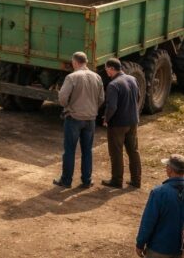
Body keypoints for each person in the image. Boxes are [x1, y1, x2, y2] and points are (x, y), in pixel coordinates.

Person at [54, 52, 105, 188]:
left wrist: (68, 107)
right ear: (86, 62)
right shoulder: (97, 77)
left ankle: (66, 180)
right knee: (87, 150)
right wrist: (92, 109)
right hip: (90, 119)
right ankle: (87, 180)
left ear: (75, 62)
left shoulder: (72, 77)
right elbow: (101, 99)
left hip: (74, 118)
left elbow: (62, 98)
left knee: (70, 150)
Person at [102, 58, 142, 189]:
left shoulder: (113, 85)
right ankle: (136, 180)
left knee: (116, 152)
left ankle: (117, 180)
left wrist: (106, 119)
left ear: (111, 69)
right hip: (133, 121)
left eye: (106, 69)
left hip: (118, 124)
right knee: (133, 151)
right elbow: (138, 97)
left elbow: (112, 106)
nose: (106, 71)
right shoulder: (132, 79)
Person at [136, 154, 184, 258]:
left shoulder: (159, 192)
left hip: (159, 249)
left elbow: (148, 221)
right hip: (181, 251)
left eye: (167, 166)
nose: (166, 168)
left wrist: (140, 243)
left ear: (170, 170)